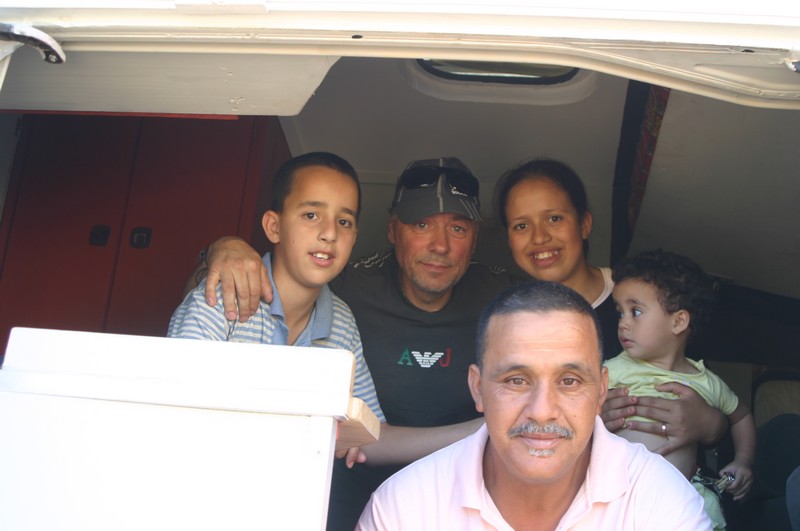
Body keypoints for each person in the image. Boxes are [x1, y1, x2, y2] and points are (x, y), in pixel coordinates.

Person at [195, 156, 513, 530]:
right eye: (421, 224)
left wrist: (497, 426)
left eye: (457, 228)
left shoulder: (505, 299)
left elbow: (368, 436)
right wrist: (221, 250)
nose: (440, 245)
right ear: (392, 230)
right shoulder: (344, 285)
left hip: (458, 497)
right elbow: (168, 404)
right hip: (237, 495)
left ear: (475, 239)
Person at [356, 280, 712, 530]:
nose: (542, 411)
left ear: (602, 391)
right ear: (477, 389)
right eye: (516, 380)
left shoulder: (657, 499)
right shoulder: (405, 507)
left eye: (569, 381)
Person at [493, 157, 728, 456]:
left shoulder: (647, 295)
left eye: (554, 219)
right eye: (521, 225)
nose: (539, 237)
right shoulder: (509, 323)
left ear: (584, 224)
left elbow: (713, 396)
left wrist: (710, 425)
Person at [169, 152, 384, 428]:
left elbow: (369, 430)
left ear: (354, 238)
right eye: (311, 215)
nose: (330, 234)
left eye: (344, 222)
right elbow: (175, 409)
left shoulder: (342, 322)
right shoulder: (226, 295)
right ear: (274, 227)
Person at [606, 249, 755, 528]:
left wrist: (743, 460)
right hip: (618, 500)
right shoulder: (613, 370)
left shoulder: (705, 382)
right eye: (620, 312)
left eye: (635, 311)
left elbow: (742, 417)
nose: (623, 322)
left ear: (678, 321)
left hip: (677, 504)